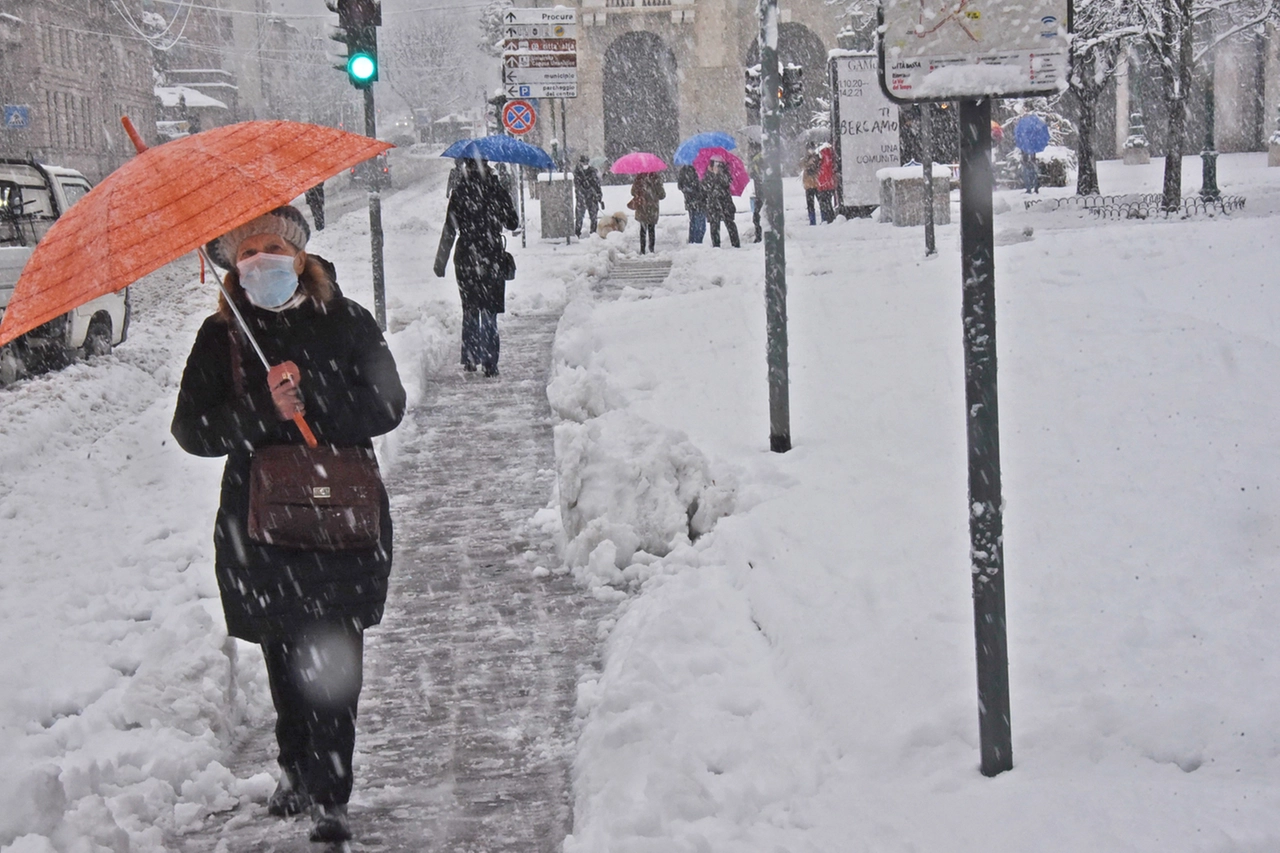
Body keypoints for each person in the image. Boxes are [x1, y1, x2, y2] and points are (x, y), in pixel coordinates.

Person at [171, 205, 406, 844]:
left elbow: (389, 404)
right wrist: (262, 409)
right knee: (281, 651)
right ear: (230, 264)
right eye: (245, 252)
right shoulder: (220, 337)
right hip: (261, 524)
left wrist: (315, 401)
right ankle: (296, 765)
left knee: (334, 652)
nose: (259, 261)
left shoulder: (347, 320)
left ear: (299, 254)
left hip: (340, 520)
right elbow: (191, 429)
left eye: (271, 246)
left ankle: (332, 791)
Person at [434, 156, 520, 376]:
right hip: (492, 257)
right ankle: (491, 363)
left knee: (470, 309)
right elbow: (513, 223)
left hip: (466, 258)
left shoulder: (459, 192)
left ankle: (471, 358)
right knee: (489, 311)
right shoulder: (497, 190)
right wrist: (502, 199)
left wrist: (440, 261)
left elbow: (449, 229)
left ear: (466, 167)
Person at [703, 156, 740, 249]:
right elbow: (705, 187)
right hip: (713, 203)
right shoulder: (707, 174)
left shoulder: (725, 172)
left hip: (725, 202)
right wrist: (712, 175)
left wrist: (719, 174)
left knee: (729, 223)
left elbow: (726, 183)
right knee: (714, 225)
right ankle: (716, 245)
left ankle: (735, 244)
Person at [628, 171, 665, 255]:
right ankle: (651, 248)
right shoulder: (656, 179)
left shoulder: (639, 178)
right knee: (651, 228)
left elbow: (633, 192)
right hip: (653, 208)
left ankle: (642, 249)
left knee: (643, 228)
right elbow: (662, 195)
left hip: (642, 206)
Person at [573, 154, 603, 239]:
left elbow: (597, 185)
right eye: (583, 162)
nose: (585, 164)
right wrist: (582, 192)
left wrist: (599, 195)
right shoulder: (577, 172)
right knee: (579, 217)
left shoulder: (592, 171)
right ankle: (577, 233)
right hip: (581, 198)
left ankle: (593, 234)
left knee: (593, 217)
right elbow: (577, 186)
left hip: (592, 198)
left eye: (586, 162)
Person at [676, 163, 706, 244]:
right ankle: (696, 241)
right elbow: (681, 185)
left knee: (695, 222)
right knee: (698, 223)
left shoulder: (685, 170)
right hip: (698, 200)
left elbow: (680, 185)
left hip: (694, 201)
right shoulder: (699, 169)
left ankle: (693, 241)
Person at [815, 143, 838, 223]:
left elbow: (823, 174)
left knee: (825, 203)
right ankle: (829, 218)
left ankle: (827, 218)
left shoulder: (825, 162)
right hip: (828, 185)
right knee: (827, 202)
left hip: (824, 185)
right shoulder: (829, 161)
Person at [746, 141, 763, 243]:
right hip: (761, 192)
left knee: (757, 216)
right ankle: (760, 234)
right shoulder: (759, 159)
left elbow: (755, 175)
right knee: (758, 216)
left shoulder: (757, 160)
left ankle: (759, 235)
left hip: (760, 193)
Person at [800, 143, 821, 226]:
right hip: (808, 185)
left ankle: (823, 219)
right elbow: (801, 166)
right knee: (810, 205)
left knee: (821, 202)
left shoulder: (818, 157)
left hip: (816, 184)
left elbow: (818, 168)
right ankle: (812, 221)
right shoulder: (805, 159)